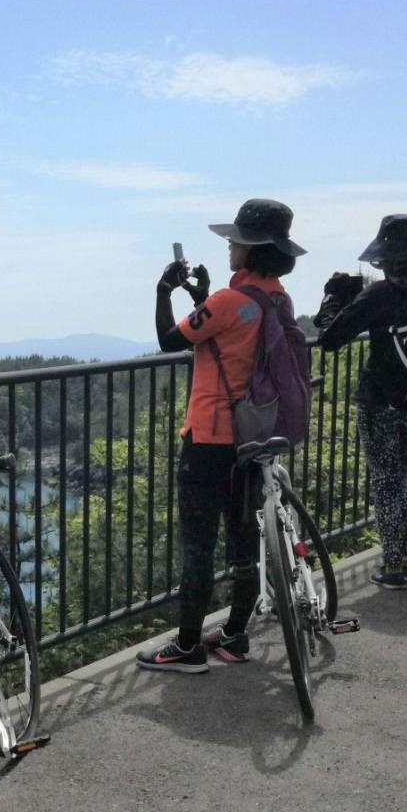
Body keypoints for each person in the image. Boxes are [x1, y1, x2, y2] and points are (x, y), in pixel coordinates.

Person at [137, 198, 306, 673]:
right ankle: (234, 635)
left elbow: (172, 340)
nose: (230, 246)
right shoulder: (275, 298)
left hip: (211, 437)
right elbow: (230, 337)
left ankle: (188, 646)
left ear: (250, 249)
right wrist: (204, 297)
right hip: (254, 437)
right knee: (243, 540)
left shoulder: (231, 301)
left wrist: (163, 291)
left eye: (235, 240)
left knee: (197, 544)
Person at [314, 214, 407, 589]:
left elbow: (329, 338)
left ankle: (396, 566)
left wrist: (334, 298)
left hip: (380, 402)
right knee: (400, 479)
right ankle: (405, 559)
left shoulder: (380, 294)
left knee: (387, 483)